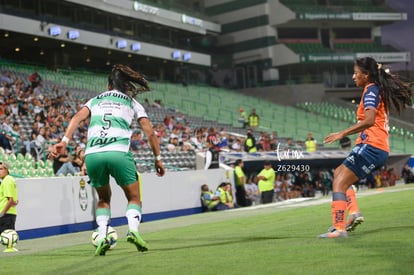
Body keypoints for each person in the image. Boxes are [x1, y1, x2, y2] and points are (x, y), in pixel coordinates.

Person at [50, 64, 165, 255]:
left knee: (103, 198)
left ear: (108, 85)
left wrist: (63, 141)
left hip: (93, 154)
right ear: (126, 85)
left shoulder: (95, 100)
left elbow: (77, 117)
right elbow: (150, 133)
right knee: (134, 197)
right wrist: (158, 158)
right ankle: (133, 231)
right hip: (118, 151)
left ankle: (102, 236)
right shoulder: (132, 102)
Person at [319, 57, 412, 238]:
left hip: (371, 145)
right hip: (377, 147)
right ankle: (353, 213)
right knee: (339, 173)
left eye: (356, 73)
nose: (354, 77)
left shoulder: (371, 91)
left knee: (339, 182)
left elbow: (369, 121)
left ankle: (339, 229)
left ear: (366, 74)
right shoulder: (374, 90)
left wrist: (342, 133)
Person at [0, 162, 18, 244]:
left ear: (7, 170)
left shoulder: (6, 181)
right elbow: (14, 201)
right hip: (9, 214)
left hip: (6, 215)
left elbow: (10, 200)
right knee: (7, 239)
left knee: (7, 239)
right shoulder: (9, 180)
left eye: (1, 169)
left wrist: (2, 213)